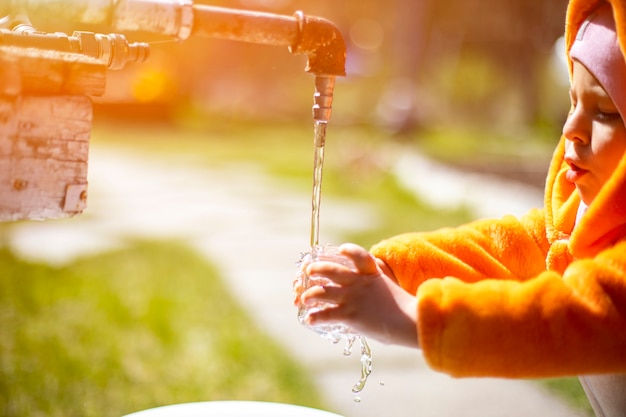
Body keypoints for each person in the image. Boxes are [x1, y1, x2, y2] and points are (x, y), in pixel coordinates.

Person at [295, 0, 626, 415]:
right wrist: (390, 267)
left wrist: (410, 317)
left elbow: (566, 317)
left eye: (606, 112)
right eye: (572, 102)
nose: (570, 129)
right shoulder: (579, 224)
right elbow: (505, 246)